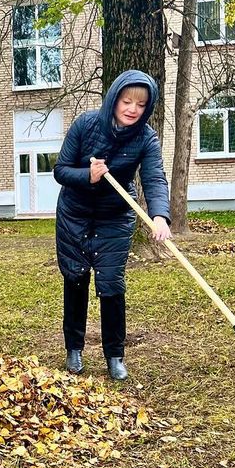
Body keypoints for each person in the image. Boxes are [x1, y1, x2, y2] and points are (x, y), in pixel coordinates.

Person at [53, 69, 172, 381]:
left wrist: (160, 215)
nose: (133, 108)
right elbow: (61, 170)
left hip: (115, 217)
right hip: (75, 214)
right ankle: (74, 349)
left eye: (141, 104)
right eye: (127, 100)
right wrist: (87, 176)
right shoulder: (85, 124)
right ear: (115, 98)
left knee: (111, 283)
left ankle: (115, 355)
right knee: (76, 278)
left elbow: (154, 177)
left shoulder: (145, 137)